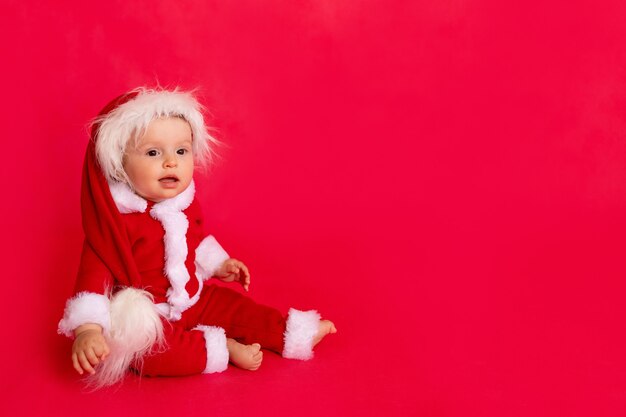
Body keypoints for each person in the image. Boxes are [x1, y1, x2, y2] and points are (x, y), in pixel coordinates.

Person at [58, 87, 336, 388]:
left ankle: (289, 334)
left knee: (239, 309)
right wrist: (88, 330)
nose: (171, 162)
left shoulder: (183, 205)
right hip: (153, 316)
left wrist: (220, 264)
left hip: (195, 299)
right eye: (153, 152)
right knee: (150, 354)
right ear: (120, 166)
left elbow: (196, 241)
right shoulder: (113, 226)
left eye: (181, 151)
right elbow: (91, 284)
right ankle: (220, 349)